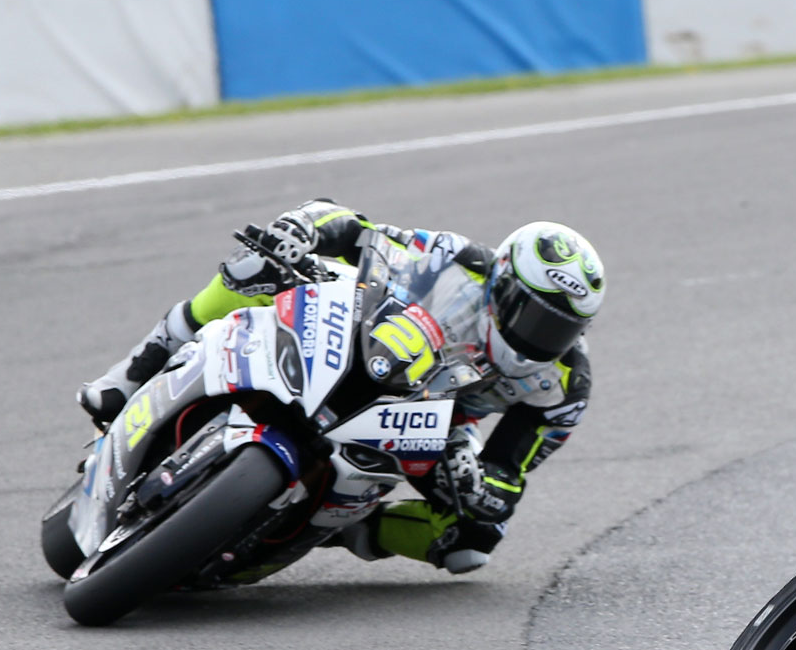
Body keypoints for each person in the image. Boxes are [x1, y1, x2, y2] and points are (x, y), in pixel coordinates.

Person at [78, 200, 603, 576]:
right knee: (256, 269)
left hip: (442, 420)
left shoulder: (562, 385)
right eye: (533, 317)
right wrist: (301, 231)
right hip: (372, 339)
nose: (542, 338)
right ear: (503, 284)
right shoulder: (455, 260)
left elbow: (510, 474)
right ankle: (131, 374)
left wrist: (480, 484)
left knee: (473, 542)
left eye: (560, 328)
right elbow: (356, 229)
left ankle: (352, 526)